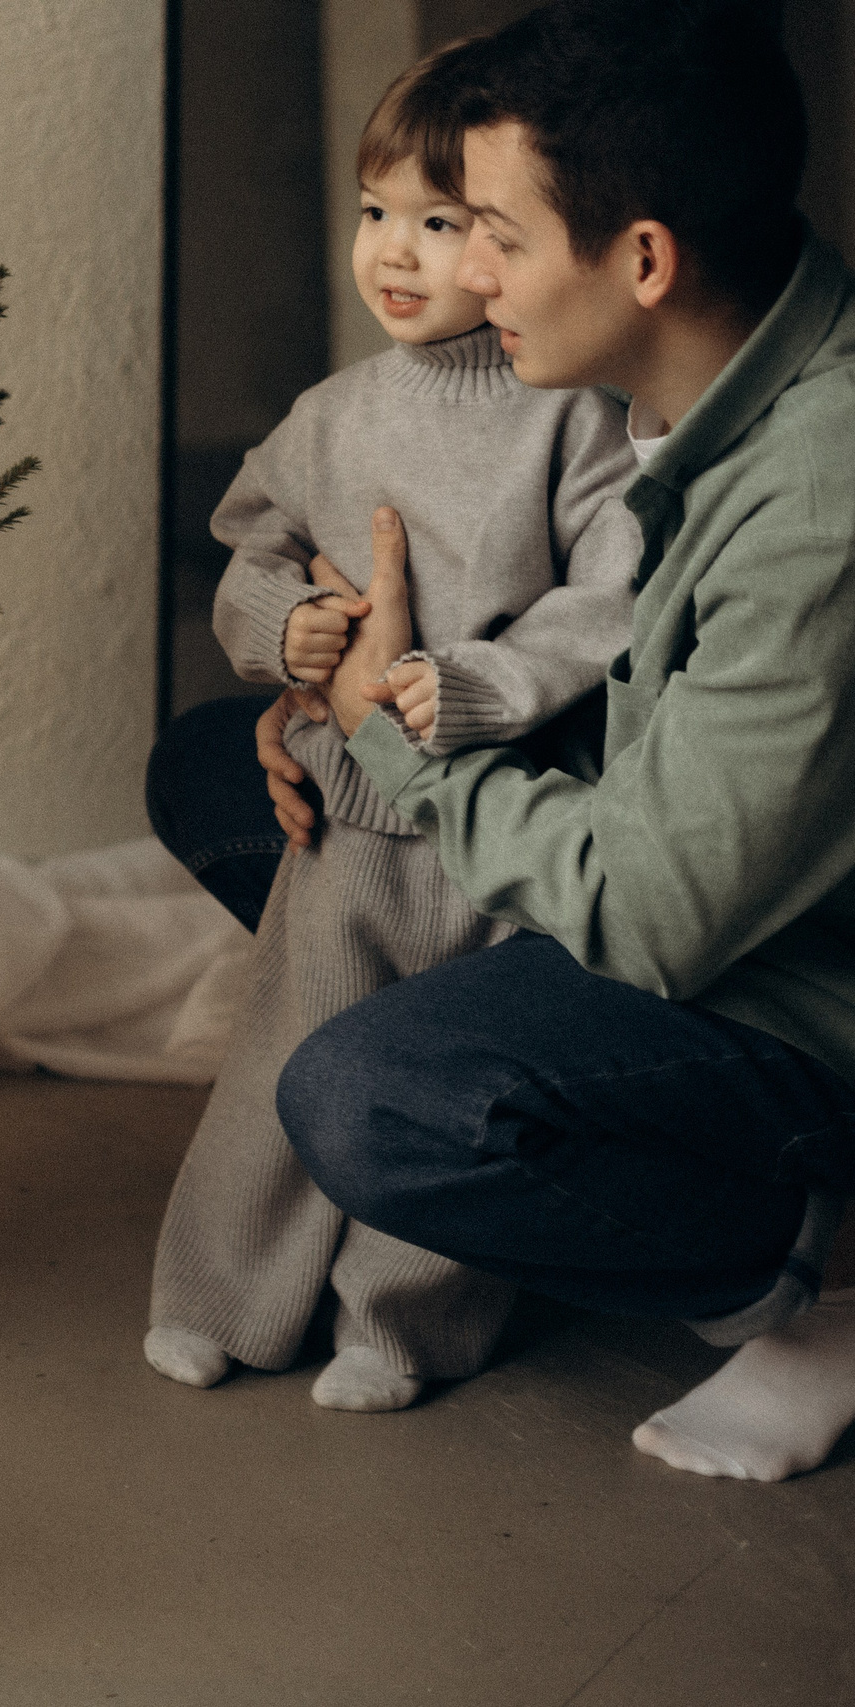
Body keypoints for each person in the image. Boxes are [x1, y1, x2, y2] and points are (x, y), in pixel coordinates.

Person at [262, 0, 855, 1482]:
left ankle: (817, 1269)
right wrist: (326, 700)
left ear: (642, 260)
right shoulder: (695, 385)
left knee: (369, 1096)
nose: (463, 272)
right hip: (716, 876)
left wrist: (399, 745)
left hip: (797, 986)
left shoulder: (820, 501)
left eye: (500, 238)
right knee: (238, 784)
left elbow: (654, 917)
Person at [144, 44, 641, 1413]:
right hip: (349, 812)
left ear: (506, 244)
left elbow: (615, 597)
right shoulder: (334, 414)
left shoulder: (573, 418)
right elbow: (254, 546)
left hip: (498, 822)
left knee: (426, 1073)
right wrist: (287, 627)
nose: (397, 254)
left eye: (442, 223)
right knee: (283, 1054)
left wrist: (476, 684)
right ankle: (218, 1296)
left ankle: (403, 1323)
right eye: (376, 214)